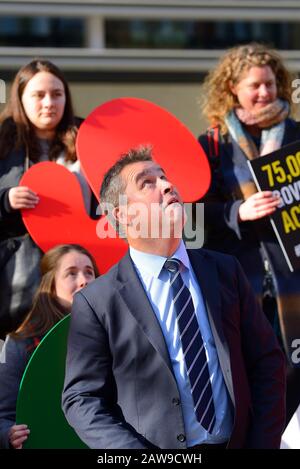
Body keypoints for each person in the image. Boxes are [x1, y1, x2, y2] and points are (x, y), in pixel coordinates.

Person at [62, 146, 285, 449]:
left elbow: (267, 362)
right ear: (122, 214)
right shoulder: (97, 301)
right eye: (147, 183)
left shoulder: (226, 271)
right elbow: (82, 399)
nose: (167, 185)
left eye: (164, 177)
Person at [197, 42, 300, 424]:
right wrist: (237, 211)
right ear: (232, 89)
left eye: (271, 84)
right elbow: (190, 213)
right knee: (245, 377)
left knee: (292, 379)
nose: (264, 93)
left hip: (294, 282)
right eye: (254, 85)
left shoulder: (296, 136)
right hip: (239, 283)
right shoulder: (211, 145)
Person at [0, 59, 91, 338]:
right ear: (21, 98)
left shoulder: (88, 138)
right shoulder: (3, 142)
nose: (49, 103)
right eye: (38, 95)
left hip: (82, 272)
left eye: (56, 94)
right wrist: (6, 200)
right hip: (18, 282)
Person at [0, 243, 99, 449]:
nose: (83, 281)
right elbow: (3, 415)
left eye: (89, 273)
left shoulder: (118, 333)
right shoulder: (22, 342)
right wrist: (7, 435)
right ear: (51, 286)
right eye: (71, 274)